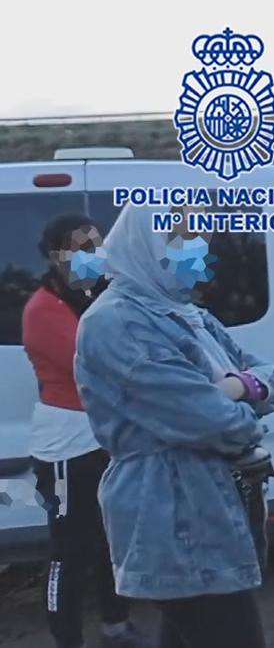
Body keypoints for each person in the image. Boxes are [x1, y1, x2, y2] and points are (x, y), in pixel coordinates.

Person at [74, 204, 274, 648]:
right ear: (148, 247)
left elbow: (271, 376)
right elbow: (216, 423)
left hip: (211, 510)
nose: (199, 261)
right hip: (174, 514)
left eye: (201, 248)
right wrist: (242, 398)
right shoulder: (116, 323)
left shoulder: (187, 314)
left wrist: (237, 386)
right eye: (186, 248)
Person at [23, 214, 153, 648]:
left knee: (112, 540)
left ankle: (116, 626)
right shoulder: (43, 310)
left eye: (94, 246)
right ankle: (68, 642)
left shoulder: (99, 296)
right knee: (68, 552)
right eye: (76, 249)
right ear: (55, 256)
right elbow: (101, 363)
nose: (89, 257)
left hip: (105, 436)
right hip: (67, 447)